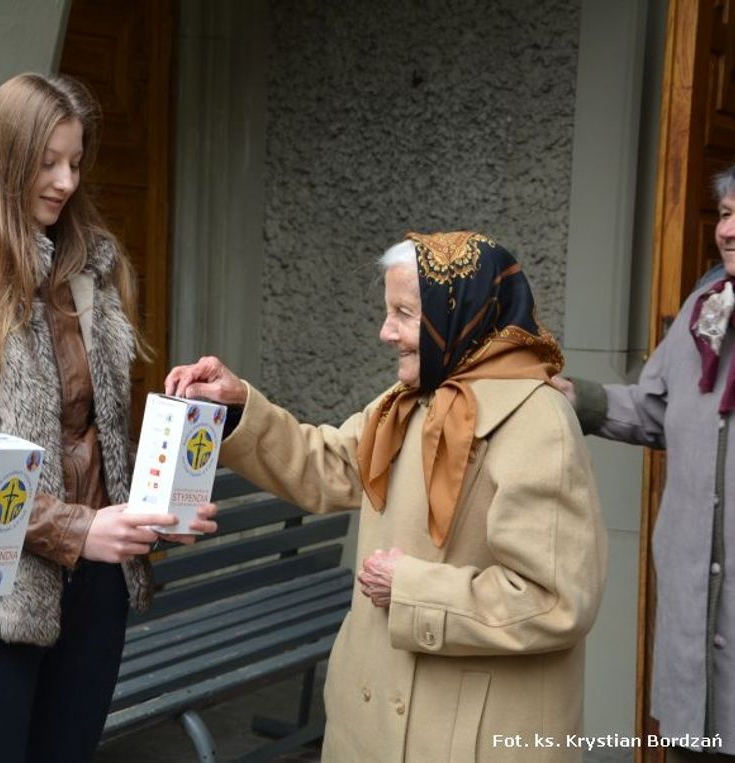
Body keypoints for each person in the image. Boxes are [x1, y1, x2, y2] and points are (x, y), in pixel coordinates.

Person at [166, 232, 607, 762]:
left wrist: (413, 589)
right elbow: (329, 465)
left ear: (458, 313)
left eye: (403, 313)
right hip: (368, 725)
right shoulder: (408, 401)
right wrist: (239, 407)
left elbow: (557, 600)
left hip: (464, 741)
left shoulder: (538, 422)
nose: (386, 332)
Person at [0, 72, 216, 763]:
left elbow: (105, 439)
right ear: (4, 159)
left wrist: (161, 506)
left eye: (75, 161)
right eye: (47, 162)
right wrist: (78, 529)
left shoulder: (91, 271)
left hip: (96, 590)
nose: (66, 180)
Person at [550, 167, 735, 762]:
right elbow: (655, 409)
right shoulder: (706, 314)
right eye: (726, 214)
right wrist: (568, 395)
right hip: (694, 652)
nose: (728, 231)